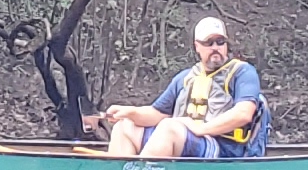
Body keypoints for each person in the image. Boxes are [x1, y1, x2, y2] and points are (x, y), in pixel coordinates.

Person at [103, 17, 268, 158]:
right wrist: (130, 113)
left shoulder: (242, 72)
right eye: (209, 43)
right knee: (124, 126)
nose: (215, 47)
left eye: (220, 42)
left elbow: (243, 114)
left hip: (223, 148)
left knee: (169, 128)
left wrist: (201, 129)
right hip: (186, 138)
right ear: (197, 46)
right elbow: (157, 113)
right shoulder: (185, 77)